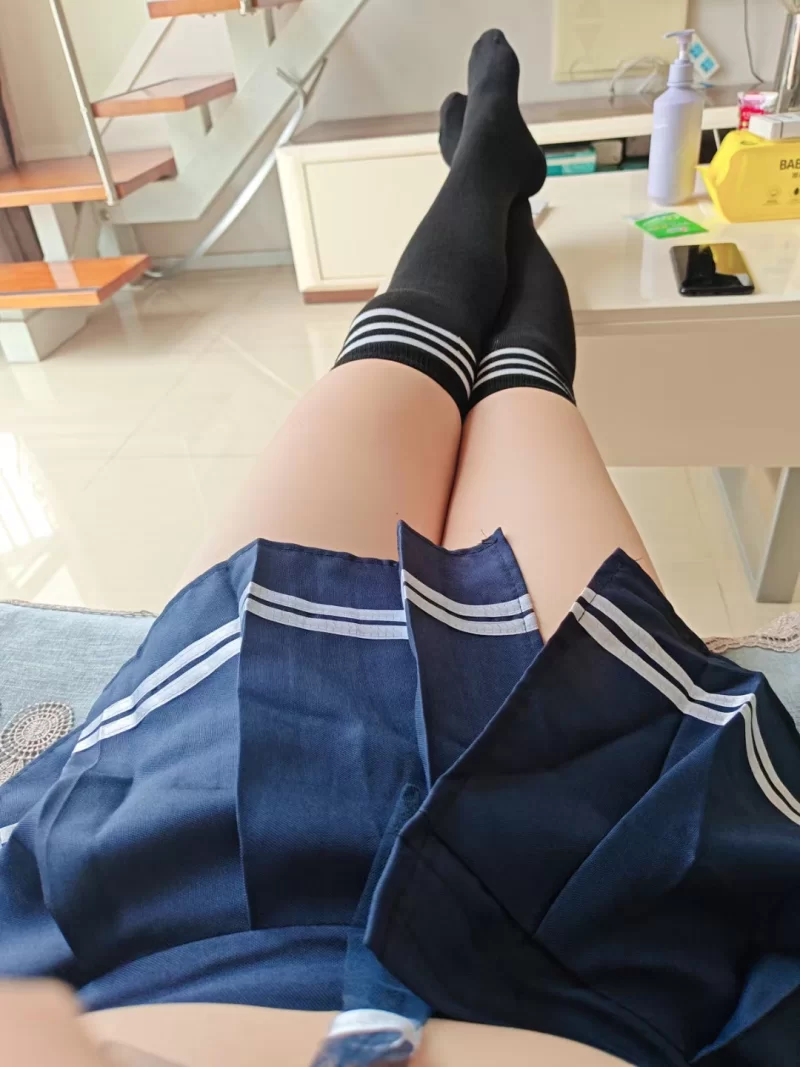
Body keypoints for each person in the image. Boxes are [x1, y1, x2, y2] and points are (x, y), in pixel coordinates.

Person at [1, 30, 799, 1067]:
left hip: (170, 873)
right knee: (519, 395)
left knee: (398, 362)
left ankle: (486, 177)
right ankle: (497, 186)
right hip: (592, 907)